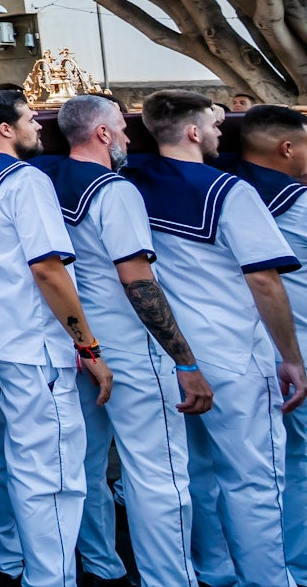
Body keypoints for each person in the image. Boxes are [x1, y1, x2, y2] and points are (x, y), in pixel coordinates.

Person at [127, 89, 304, 587]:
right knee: (254, 478)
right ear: (191, 131)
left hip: (171, 354)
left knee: (197, 476)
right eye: (213, 124)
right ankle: (270, 580)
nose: (220, 133)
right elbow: (265, 280)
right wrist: (291, 357)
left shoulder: (130, 181)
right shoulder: (229, 190)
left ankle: (215, 572)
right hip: (233, 354)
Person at [39, 94, 213, 587]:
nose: (129, 136)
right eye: (122, 127)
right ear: (101, 134)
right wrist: (185, 360)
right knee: (158, 472)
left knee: (87, 467)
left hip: (77, 339)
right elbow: (137, 279)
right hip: (129, 343)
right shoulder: (114, 190)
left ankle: (101, 567)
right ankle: (169, 579)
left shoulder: (47, 180)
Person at [0, 90, 112, 587]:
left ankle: (11, 563)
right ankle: (50, 578)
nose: (39, 125)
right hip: (34, 346)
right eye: (28, 118)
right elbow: (48, 268)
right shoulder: (26, 180)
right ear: (5, 129)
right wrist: (89, 347)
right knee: (52, 477)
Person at [237, 103, 307, 586]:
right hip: (293, 349)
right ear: (287, 148)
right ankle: (294, 567)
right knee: (294, 466)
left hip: (235, 349)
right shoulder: (297, 202)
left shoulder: (223, 187)